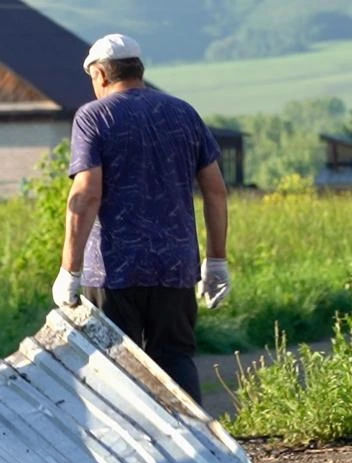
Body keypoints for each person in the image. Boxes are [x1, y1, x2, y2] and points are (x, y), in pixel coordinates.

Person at [52, 33, 230, 406]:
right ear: (138, 70)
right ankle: (197, 448)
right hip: (175, 266)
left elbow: (86, 194)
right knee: (176, 358)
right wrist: (216, 261)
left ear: (101, 74)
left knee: (116, 367)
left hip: (115, 271)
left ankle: (130, 456)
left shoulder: (94, 116)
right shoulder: (183, 112)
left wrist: (70, 269)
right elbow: (215, 190)